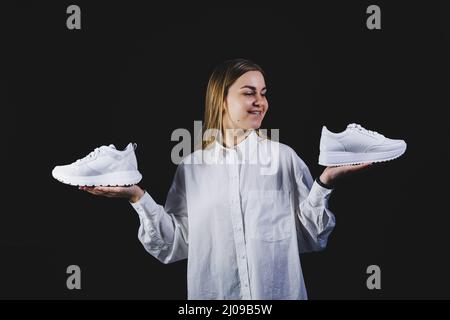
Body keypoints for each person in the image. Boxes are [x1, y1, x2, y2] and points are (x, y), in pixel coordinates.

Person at [80, 58, 371, 299]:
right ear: (221, 99)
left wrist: (325, 183)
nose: (261, 102)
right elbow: (173, 246)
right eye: (249, 93)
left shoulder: (284, 158)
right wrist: (137, 197)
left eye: (264, 92)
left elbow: (313, 237)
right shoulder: (191, 167)